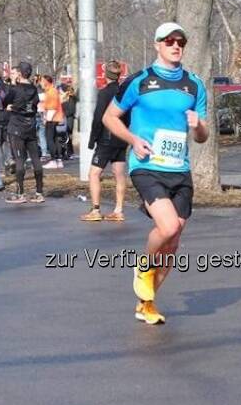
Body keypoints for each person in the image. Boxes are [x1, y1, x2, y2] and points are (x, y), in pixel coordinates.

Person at [102, 22, 208, 325]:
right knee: (169, 227)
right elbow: (110, 117)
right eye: (170, 41)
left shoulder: (194, 85)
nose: (176, 46)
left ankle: (146, 302)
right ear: (157, 45)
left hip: (180, 169)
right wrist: (134, 140)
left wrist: (198, 125)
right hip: (146, 165)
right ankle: (144, 266)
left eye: (181, 42)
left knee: (172, 243)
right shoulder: (139, 81)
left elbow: (203, 136)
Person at [82, 60, 129, 222]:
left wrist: (92, 139)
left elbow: (98, 118)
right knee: (119, 174)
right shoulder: (124, 92)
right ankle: (119, 209)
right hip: (121, 138)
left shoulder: (104, 93)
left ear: (105, 76)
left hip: (106, 139)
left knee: (94, 173)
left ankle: (95, 209)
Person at [2, 61, 45, 205]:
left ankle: (21, 193)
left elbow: (5, 102)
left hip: (17, 128)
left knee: (20, 160)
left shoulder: (15, 89)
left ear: (20, 73)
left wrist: (12, 107)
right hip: (31, 126)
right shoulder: (34, 89)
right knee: (35, 159)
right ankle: (39, 192)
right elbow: (33, 105)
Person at [41, 74, 64, 168]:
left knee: (50, 138)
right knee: (54, 138)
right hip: (54, 117)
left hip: (52, 118)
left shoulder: (51, 92)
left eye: (42, 81)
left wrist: (47, 119)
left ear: (46, 82)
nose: (41, 83)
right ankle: (58, 160)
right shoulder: (50, 91)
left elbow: (52, 107)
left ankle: (54, 160)